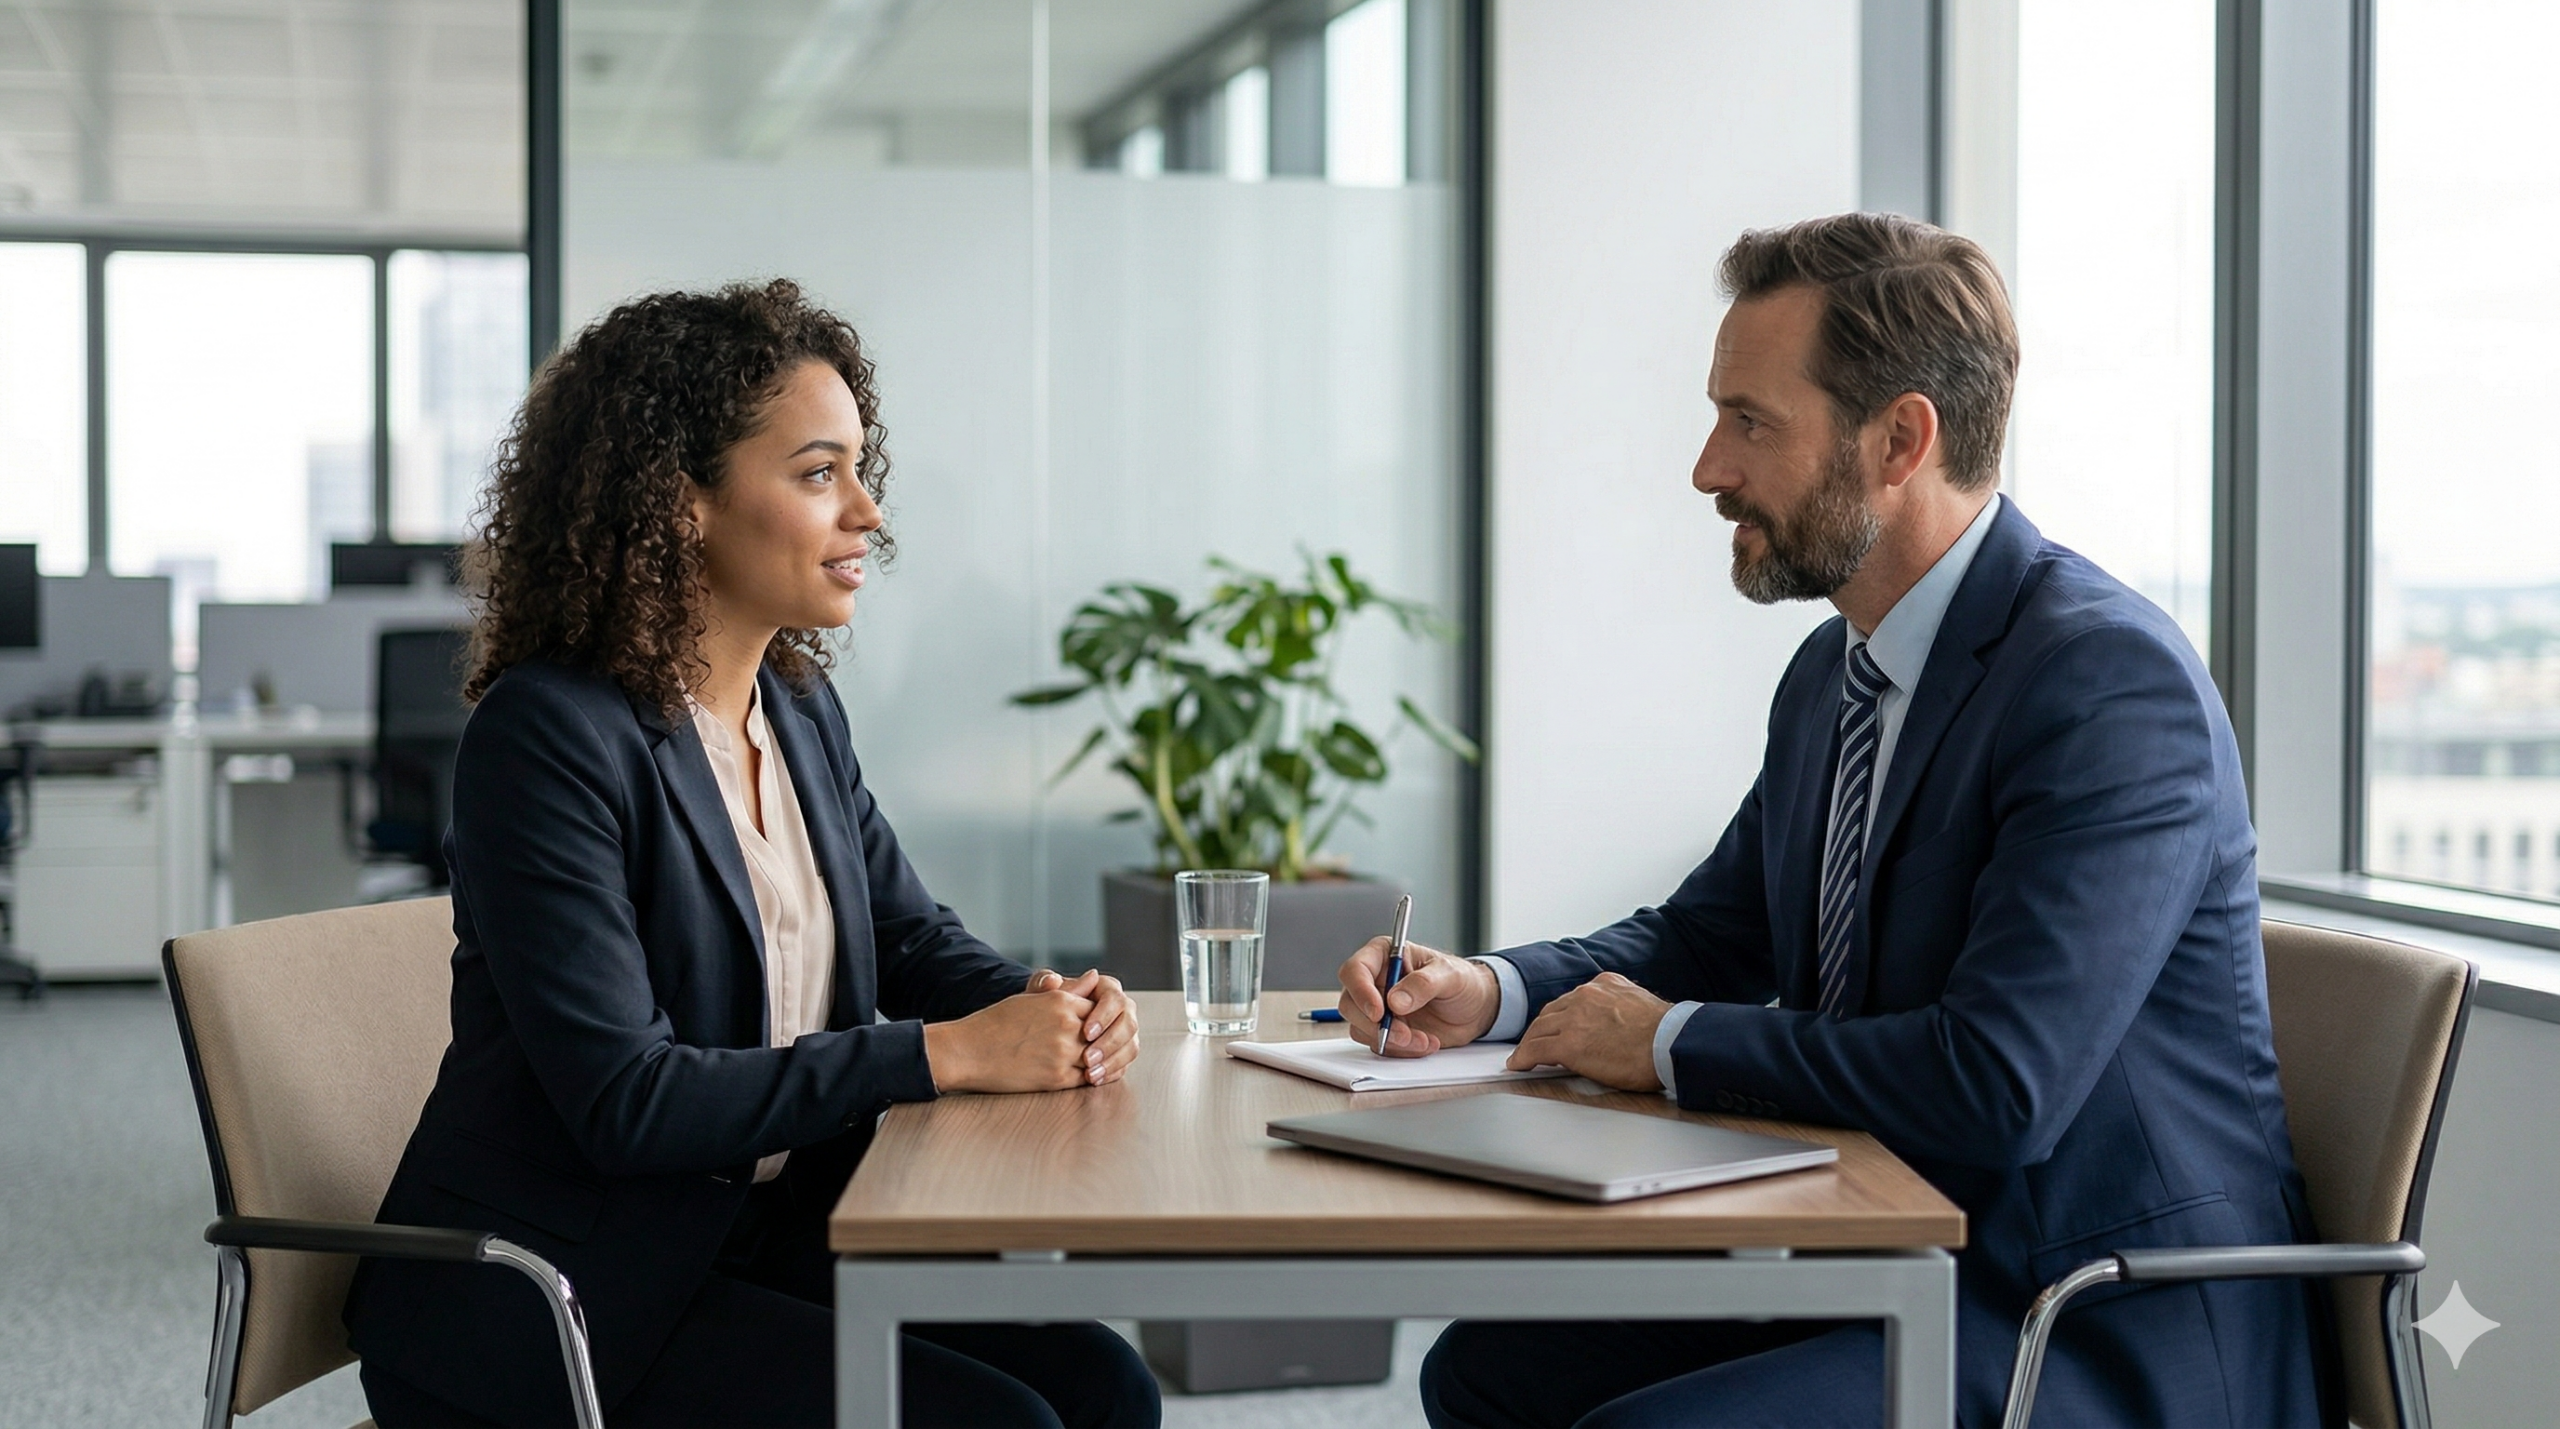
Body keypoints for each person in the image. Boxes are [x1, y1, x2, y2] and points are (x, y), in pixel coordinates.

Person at [1338, 214, 2329, 1427]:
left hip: (2081, 1314)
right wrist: (1490, 990)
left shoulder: (2106, 686)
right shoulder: (1835, 675)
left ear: (1900, 438)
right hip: (1884, 1251)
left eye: (1750, 421)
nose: (1708, 468)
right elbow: (1708, 934)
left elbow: (1996, 1084)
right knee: (1487, 1372)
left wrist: (1661, 1043)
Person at [343, 280, 1162, 1429]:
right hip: (573, 1291)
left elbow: (906, 933)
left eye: (859, 469)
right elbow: (629, 1100)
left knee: (1106, 1388)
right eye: (819, 473)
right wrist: (942, 1055)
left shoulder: (794, 708)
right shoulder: (546, 737)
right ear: (682, 503)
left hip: (762, 1237)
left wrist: (1041, 1003)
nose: (867, 512)